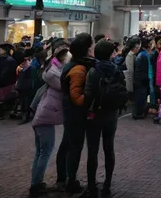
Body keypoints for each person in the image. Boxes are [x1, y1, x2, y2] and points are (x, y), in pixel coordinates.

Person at [84, 41, 127, 197]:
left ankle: (91, 186)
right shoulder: (116, 70)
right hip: (111, 114)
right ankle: (107, 184)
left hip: (94, 114)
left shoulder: (93, 71)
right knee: (109, 149)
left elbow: (88, 94)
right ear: (111, 54)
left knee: (92, 151)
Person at [29, 48, 70, 197]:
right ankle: (36, 185)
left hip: (42, 117)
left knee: (40, 152)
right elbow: (66, 86)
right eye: (67, 57)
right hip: (44, 119)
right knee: (45, 152)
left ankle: (35, 182)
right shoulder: (54, 75)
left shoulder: (50, 70)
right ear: (62, 58)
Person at [60, 33, 96, 194]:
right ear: (86, 49)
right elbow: (76, 96)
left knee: (71, 145)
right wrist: (88, 101)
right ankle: (71, 180)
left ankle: (67, 178)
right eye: (92, 45)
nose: (93, 48)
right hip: (75, 113)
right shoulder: (78, 68)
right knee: (75, 146)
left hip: (72, 112)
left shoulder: (76, 64)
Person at [132, 38, 153, 119]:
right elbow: (144, 70)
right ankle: (138, 113)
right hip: (141, 80)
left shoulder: (142, 54)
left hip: (140, 79)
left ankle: (139, 112)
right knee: (140, 97)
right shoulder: (143, 55)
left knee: (141, 97)